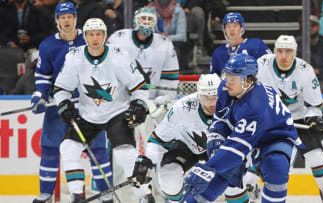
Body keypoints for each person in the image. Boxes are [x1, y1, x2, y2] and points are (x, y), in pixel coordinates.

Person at [53, 18, 154, 203]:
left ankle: (144, 195)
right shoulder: (75, 57)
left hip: (117, 112)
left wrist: (140, 104)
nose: (95, 38)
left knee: (124, 153)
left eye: (99, 34)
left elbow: (139, 86)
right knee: (67, 148)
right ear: (84, 37)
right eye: (91, 34)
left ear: (105, 36)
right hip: (87, 114)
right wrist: (64, 103)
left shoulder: (119, 56)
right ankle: (77, 194)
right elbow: (61, 89)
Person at [182, 54, 303, 203]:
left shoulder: (256, 105)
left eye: (233, 79)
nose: (227, 82)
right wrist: (216, 137)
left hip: (275, 138)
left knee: (276, 166)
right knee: (220, 173)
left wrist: (207, 168)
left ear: (249, 80)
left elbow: (237, 149)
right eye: (227, 76)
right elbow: (220, 119)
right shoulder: (225, 88)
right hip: (244, 135)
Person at [30, 3, 110, 203]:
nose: (66, 20)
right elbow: (43, 75)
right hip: (59, 107)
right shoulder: (48, 45)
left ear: (76, 18)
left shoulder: (90, 37)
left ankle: (106, 195)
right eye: (62, 17)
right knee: (49, 150)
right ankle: (46, 194)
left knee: (97, 152)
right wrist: (40, 95)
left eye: (69, 16)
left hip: (91, 107)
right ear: (57, 20)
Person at [256, 35, 323, 203]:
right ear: (274, 52)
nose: (284, 56)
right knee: (254, 154)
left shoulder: (305, 70)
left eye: (288, 51)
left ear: (295, 52)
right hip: (271, 120)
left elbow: (315, 104)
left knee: (316, 155)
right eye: (280, 51)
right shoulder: (262, 65)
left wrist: (313, 120)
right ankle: (251, 188)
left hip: (298, 119)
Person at [130, 74, 221, 202]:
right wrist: (148, 163)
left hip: (221, 149)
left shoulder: (232, 106)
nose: (212, 102)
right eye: (207, 97)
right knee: (169, 175)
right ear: (199, 94)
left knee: (236, 179)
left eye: (215, 97)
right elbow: (158, 140)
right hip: (187, 147)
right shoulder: (183, 107)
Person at [107, 6, 179, 102]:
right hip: (122, 103)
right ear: (135, 20)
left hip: (152, 102)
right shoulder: (118, 39)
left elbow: (169, 77)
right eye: (143, 18)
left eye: (149, 19)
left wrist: (163, 99)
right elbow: (107, 71)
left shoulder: (165, 44)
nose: (146, 22)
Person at [210, 12, 271, 76]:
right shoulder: (218, 52)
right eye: (228, 26)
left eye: (235, 26)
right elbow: (213, 77)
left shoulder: (256, 45)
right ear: (224, 30)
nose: (231, 29)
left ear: (241, 28)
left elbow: (270, 66)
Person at [296, 15, 323, 91]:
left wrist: (319, 71)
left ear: (319, 27)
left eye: (313, 25)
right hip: (300, 80)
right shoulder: (296, 44)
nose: (310, 28)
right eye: (307, 26)